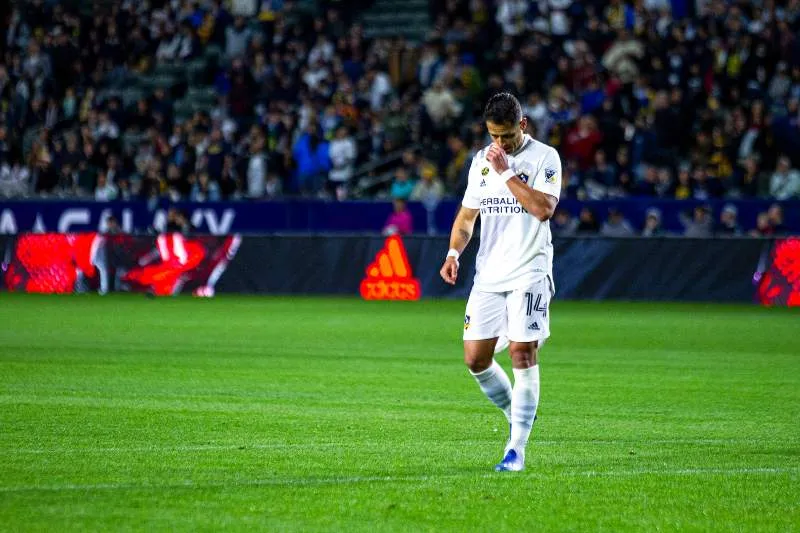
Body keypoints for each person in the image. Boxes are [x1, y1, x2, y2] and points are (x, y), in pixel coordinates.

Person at [439, 92, 561, 472]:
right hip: (489, 274)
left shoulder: (545, 157)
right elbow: (466, 219)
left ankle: (516, 450)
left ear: (522, 125)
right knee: (476, 359)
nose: (500, 143)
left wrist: (507, 171)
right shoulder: (481, 162)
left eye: (506, 135)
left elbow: (543, 209)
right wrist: (454, 253)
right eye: (494, 136)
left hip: (530, 269)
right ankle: (517, 413)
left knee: (523, 352)